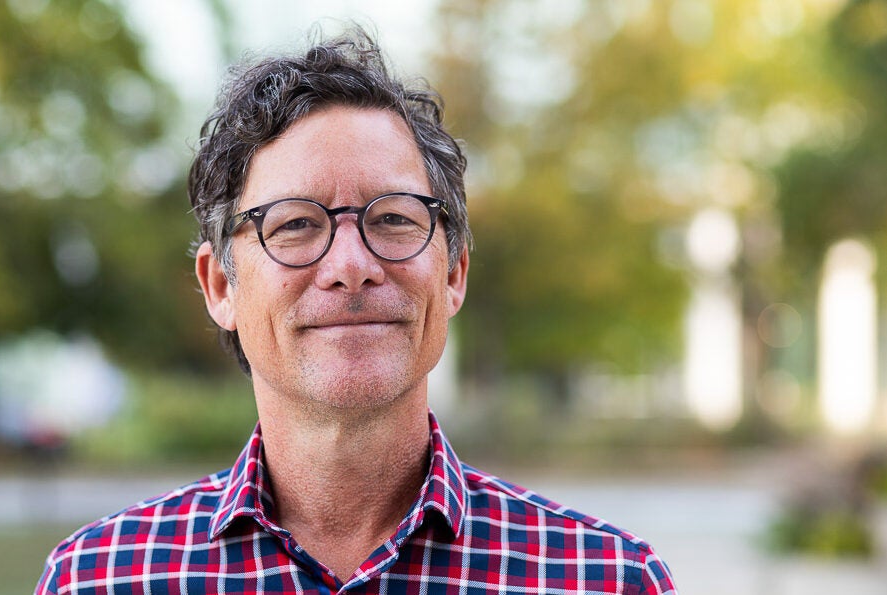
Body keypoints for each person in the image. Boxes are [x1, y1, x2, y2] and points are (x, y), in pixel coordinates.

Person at [35, 28, 679, 595]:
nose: (350, 265)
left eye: (395, 218)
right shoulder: (100, 579)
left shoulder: (607, 581)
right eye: (293, 225)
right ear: (219, 286)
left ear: (453, 273)